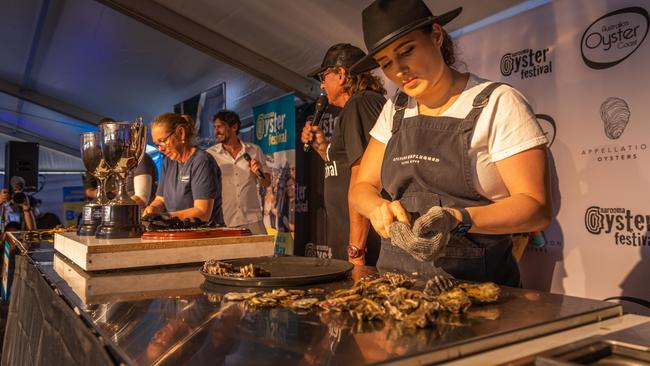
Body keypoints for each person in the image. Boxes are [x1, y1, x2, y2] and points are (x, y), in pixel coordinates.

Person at [349, 0, 551, 286]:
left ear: (436, 35)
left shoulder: (499, 103)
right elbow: (361, 188)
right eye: (386, 64)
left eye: (406, 50)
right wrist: (376, 208)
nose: (399, 70)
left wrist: (457, 218)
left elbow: (536, 208)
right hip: (397, 291)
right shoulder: (394, 109)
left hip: (477, 298)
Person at [300, 43, 387, 266]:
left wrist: (356, 249)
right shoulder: (360, 106)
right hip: (355, 243)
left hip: (365, 247)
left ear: (340, 74)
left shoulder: (360, 103)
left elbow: (363, 178)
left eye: (324, 75)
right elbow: (347, 165)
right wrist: (324, 148)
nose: (321, 84)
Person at [142, 113, 224, 224]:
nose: (160, 149)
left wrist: (164, 217)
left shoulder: (202, 161)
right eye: (157, 144)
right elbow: (160, 199)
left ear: (181, 133)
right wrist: (153, 208)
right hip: (178, 232)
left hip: (205, 235)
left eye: (163, 141)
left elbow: (202, 212)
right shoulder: (168, 162)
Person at [206, 110, 270, 234]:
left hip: (252, 220)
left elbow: (266, 183)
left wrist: (258, 172)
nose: (216, 131)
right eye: (214, 127)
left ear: (234, 127)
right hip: (224, 221)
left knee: (261, 253)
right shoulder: (210, 155)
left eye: (220, 126)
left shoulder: (254, 150)